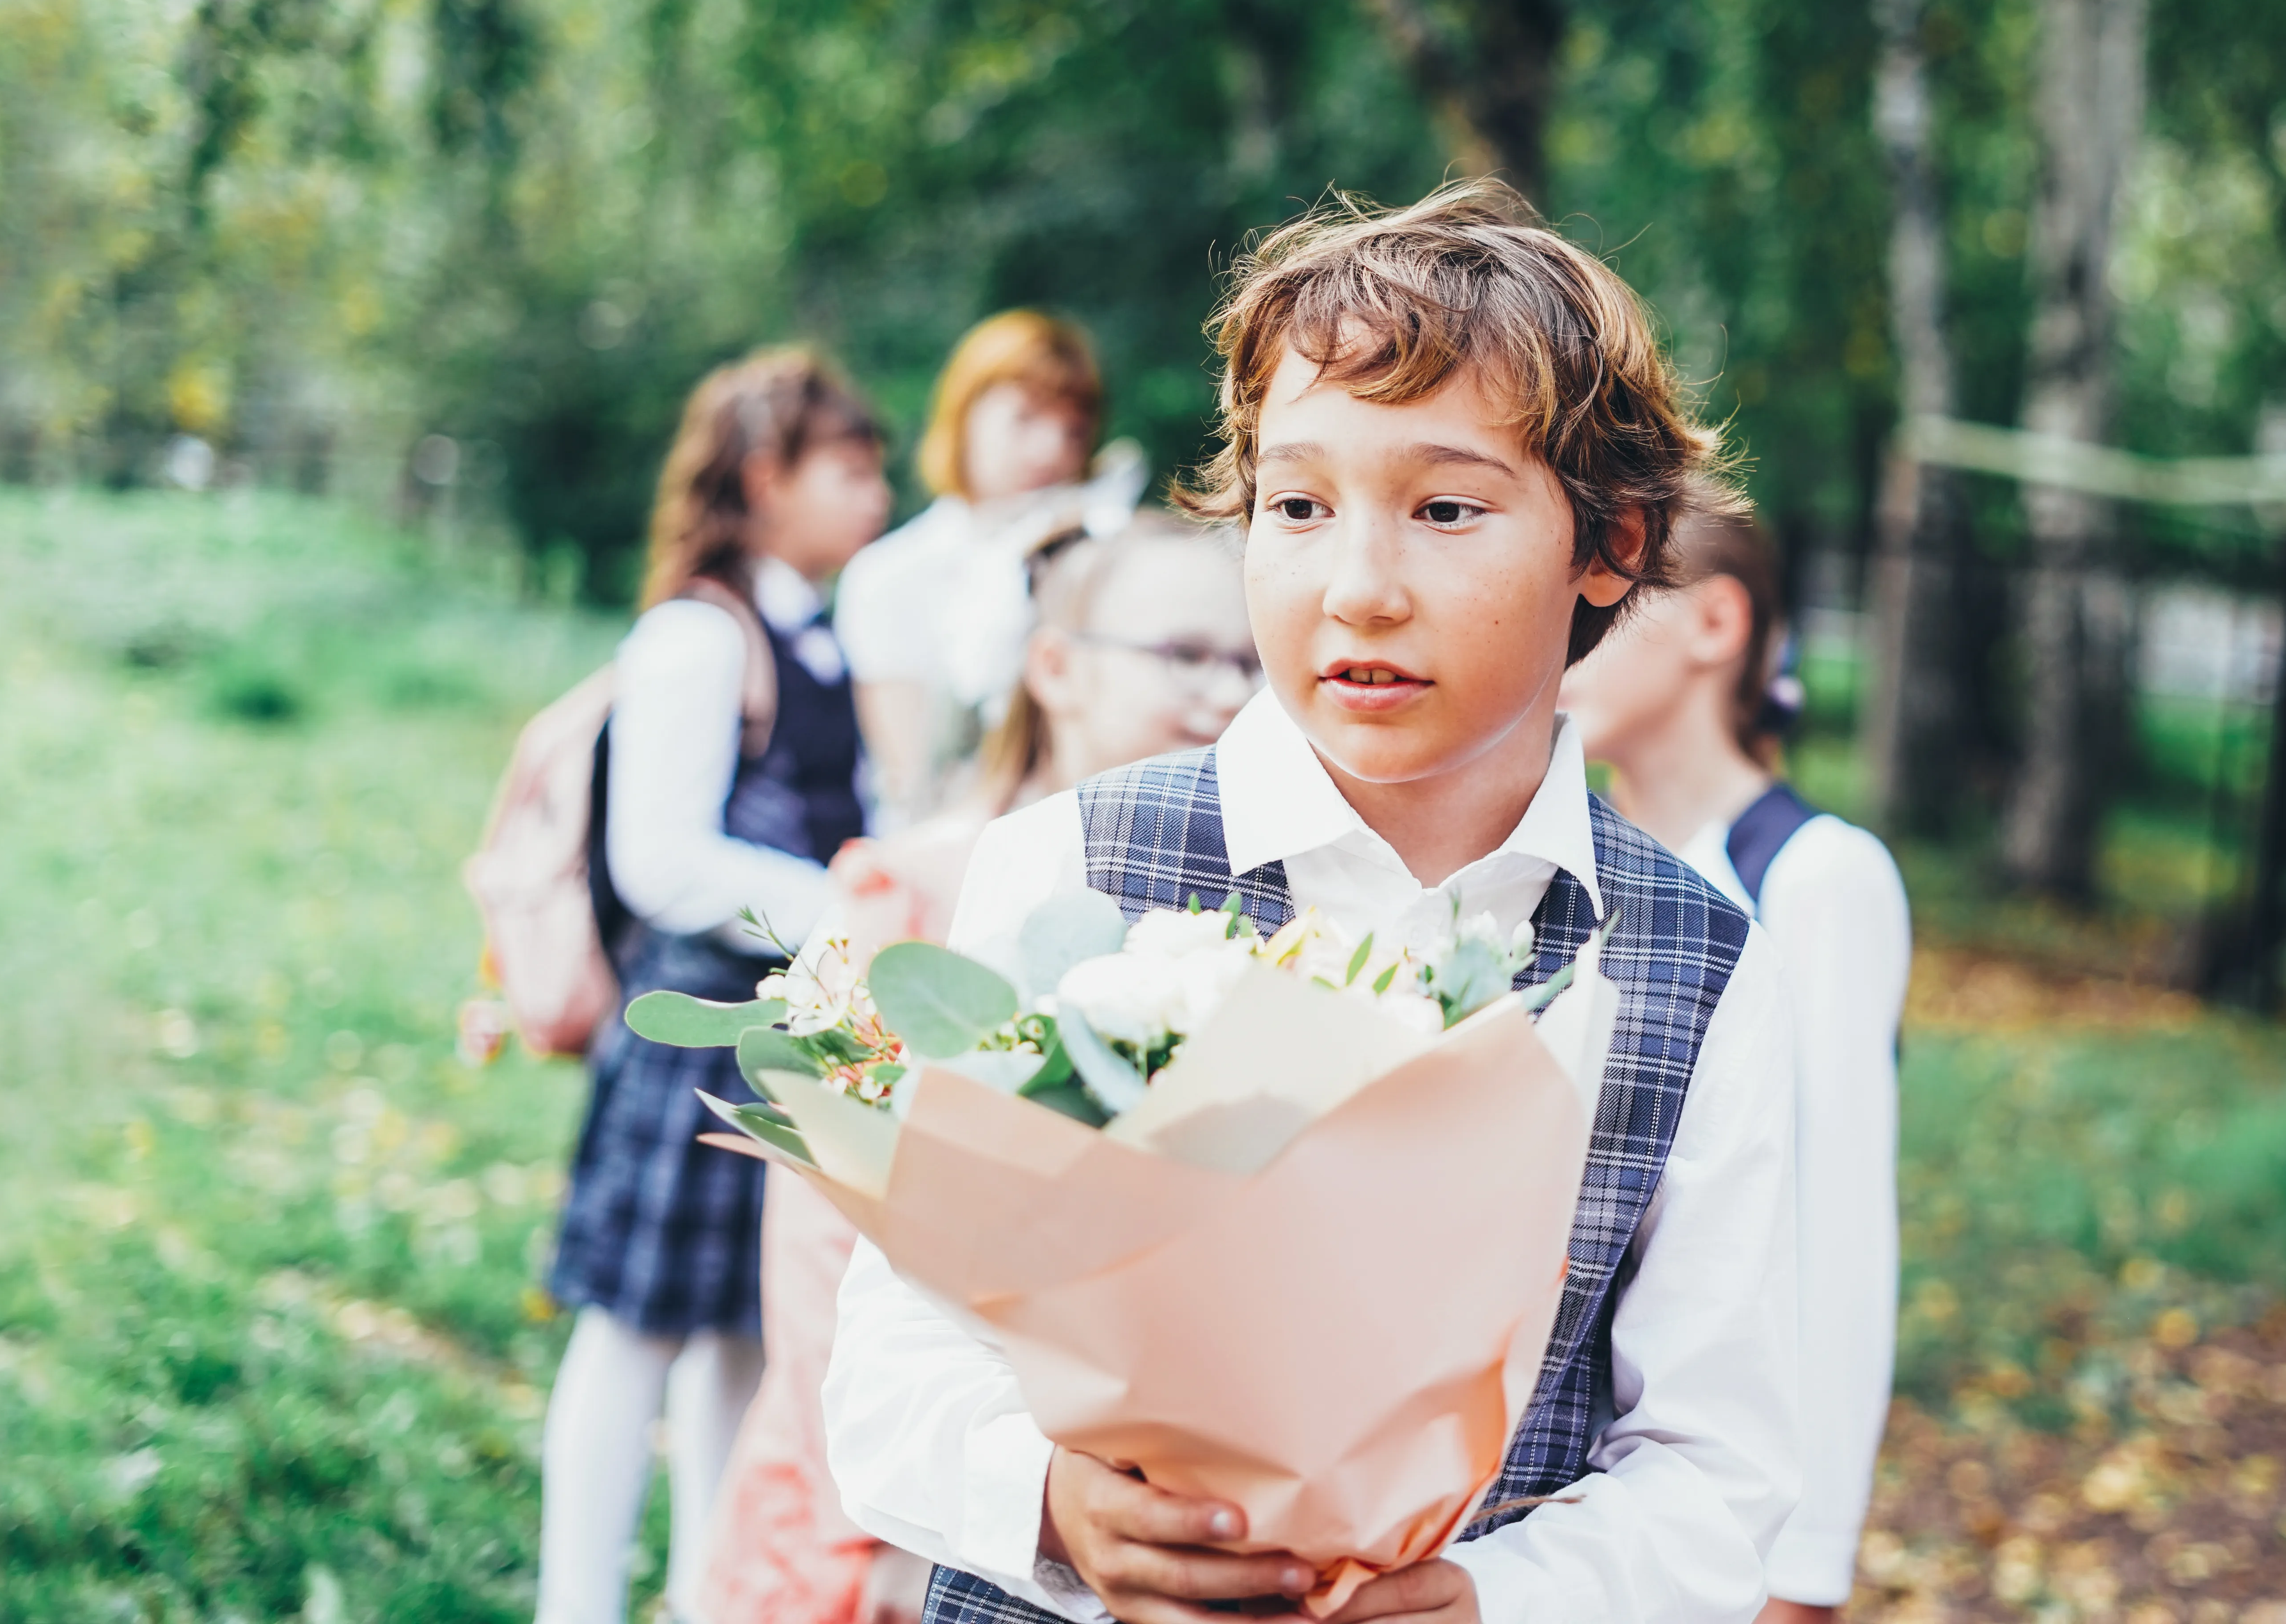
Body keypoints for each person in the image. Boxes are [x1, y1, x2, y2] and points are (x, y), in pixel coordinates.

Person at [822, 179, 1803, 1624]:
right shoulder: (1069, 866)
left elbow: (1718, 1467)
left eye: (1447, 509)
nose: (1358, 585)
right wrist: (1054, 1498)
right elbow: (893, 1357)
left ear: (1616, 544)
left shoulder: (1703, 966)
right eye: (1298, 503)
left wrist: (1494, 1598)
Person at [696, 513, 1259, 1624]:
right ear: (1054, 666)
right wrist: (896, 1535)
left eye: (1250, 662)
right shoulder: (908, 900)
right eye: (1186, 655)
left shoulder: (1236, 927)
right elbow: (824, 1269)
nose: (1226, 693)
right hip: (891, 1514)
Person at [537, 347, 892, 1624]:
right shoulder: (698, 635)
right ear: (762, 475)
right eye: (847, 470)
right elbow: (662, 861)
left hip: (796, 1027)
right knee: (631, 1332)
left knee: (752, 1326)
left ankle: (707, 1596)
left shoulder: (816, 633)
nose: (876, 496)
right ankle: (572, 1605)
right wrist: (844, 908)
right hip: (698, 1025)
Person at [1559, 507, 1909, 1624]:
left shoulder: (1817, 878)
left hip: (1707, 1511)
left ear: (1716, 619)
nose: (1565, 627)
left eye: (1610, 598)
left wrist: (1804, 1570)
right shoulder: (1557, 859)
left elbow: (1838, 1234)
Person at [834, 310, 1149, 827]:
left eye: (1072, 431)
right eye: (1024, 419)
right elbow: (912, 772)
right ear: (963, 418)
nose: (1050, 449)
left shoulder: (1104, 552)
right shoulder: (889, 575)